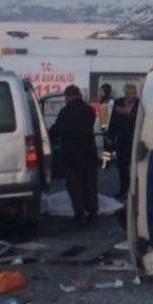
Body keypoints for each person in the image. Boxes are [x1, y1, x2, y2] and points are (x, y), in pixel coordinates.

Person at [49, 85, 99, 223]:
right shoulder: (89, 110)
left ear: (69, 96)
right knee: (90, 183)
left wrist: (47, 136)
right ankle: (93, 211)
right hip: (89, 153)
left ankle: (80, 213)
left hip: (72, 155)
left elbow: (57, 130)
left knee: (75, 185)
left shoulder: (66, 111)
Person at [106, 83, 140, 200]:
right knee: (122, 166)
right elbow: (113, 120)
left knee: (134, 166)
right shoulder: (119, 102)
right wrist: (110, 136)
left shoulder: (139, 103)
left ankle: (134, 191)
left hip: (135, 139)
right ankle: (123, 189)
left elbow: (138, 117)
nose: (133, 95)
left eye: (134, 93)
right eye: (130, 93)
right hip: (122, 139)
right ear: (125, 94)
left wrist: (128, 112)